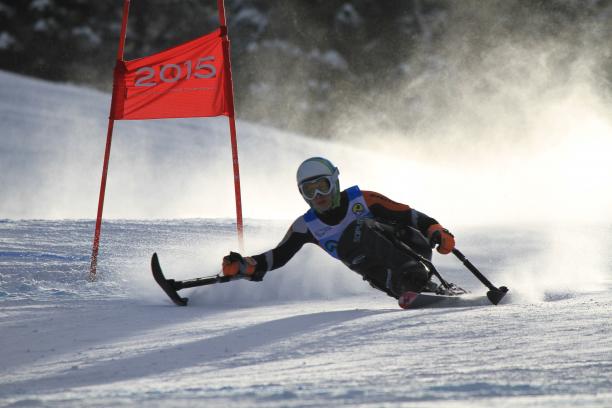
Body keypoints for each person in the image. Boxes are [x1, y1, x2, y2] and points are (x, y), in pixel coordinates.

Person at [221, 157, 456, 307]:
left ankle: (417, 278)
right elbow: (278, 256)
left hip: (411, 248)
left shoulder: (363, 199)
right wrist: (245, 265)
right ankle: (413, 289)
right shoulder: (306, 226)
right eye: (309, 190)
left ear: (334, 182)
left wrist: (436, 230)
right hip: (381, 273)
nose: (318, 196)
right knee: (352, 252)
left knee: (358, 230)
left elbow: (410, 216)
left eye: (322, 186)